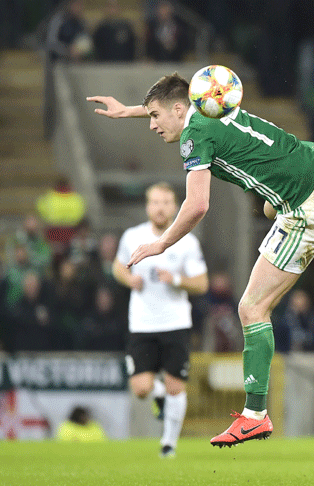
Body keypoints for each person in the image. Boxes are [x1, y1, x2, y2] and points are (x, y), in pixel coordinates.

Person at [87, 72, 314, 448]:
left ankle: (255, 415)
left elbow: (197, 205)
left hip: (307, 204)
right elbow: (171, 102)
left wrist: (160, 243)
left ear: (179, 110)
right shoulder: (211, 104)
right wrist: (128, 111)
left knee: (252, 308)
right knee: (270, 207)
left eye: (155, 116)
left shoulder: (195, 136)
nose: (153, 124)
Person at [111, 182, 208, 458]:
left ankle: (168, 445)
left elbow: (202, 284)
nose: (160, 207)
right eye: (155, 202)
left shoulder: (187, 241)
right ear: (147, 206)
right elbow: (117, 266)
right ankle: (160, 397)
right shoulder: (132, 236)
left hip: (175, 322)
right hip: (142, 323)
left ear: (175, 206)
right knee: (140, 388)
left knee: (176, 385)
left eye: (166, 202)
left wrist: (175, 279)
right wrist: (129, 279)